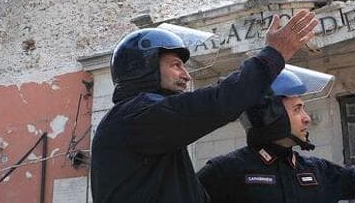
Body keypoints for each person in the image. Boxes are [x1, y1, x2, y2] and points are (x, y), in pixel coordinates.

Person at [90, 10, 320, 203]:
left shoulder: (146, 121)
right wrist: (274, 55)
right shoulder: (135, 116)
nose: (186, 75)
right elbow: (219, 102)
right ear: (144, 66)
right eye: (176, 65)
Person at [197, 68, 355, 203]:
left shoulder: (318, 171)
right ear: (271, 116)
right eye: (297, 109)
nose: (306, 118)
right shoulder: (225, 172)